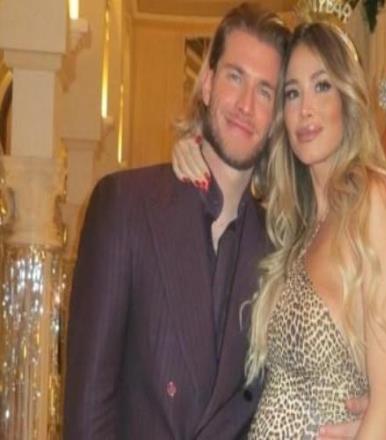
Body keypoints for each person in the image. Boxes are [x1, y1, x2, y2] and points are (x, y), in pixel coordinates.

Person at [64, 3, 362, 439]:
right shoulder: (125, 207)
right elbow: (87, 415)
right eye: (235, 77)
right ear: (206, 83)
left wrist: (356, 408)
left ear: (277, 119)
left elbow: (297, 379)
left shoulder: (282, 248)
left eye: (265, 91)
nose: (245, 105)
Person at [173, 21, 386, 439]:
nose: (305, 110)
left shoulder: (374, 202)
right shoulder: (293, 226)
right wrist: (189, 145)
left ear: (347, 97)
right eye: (292, 93)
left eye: (322, 86)